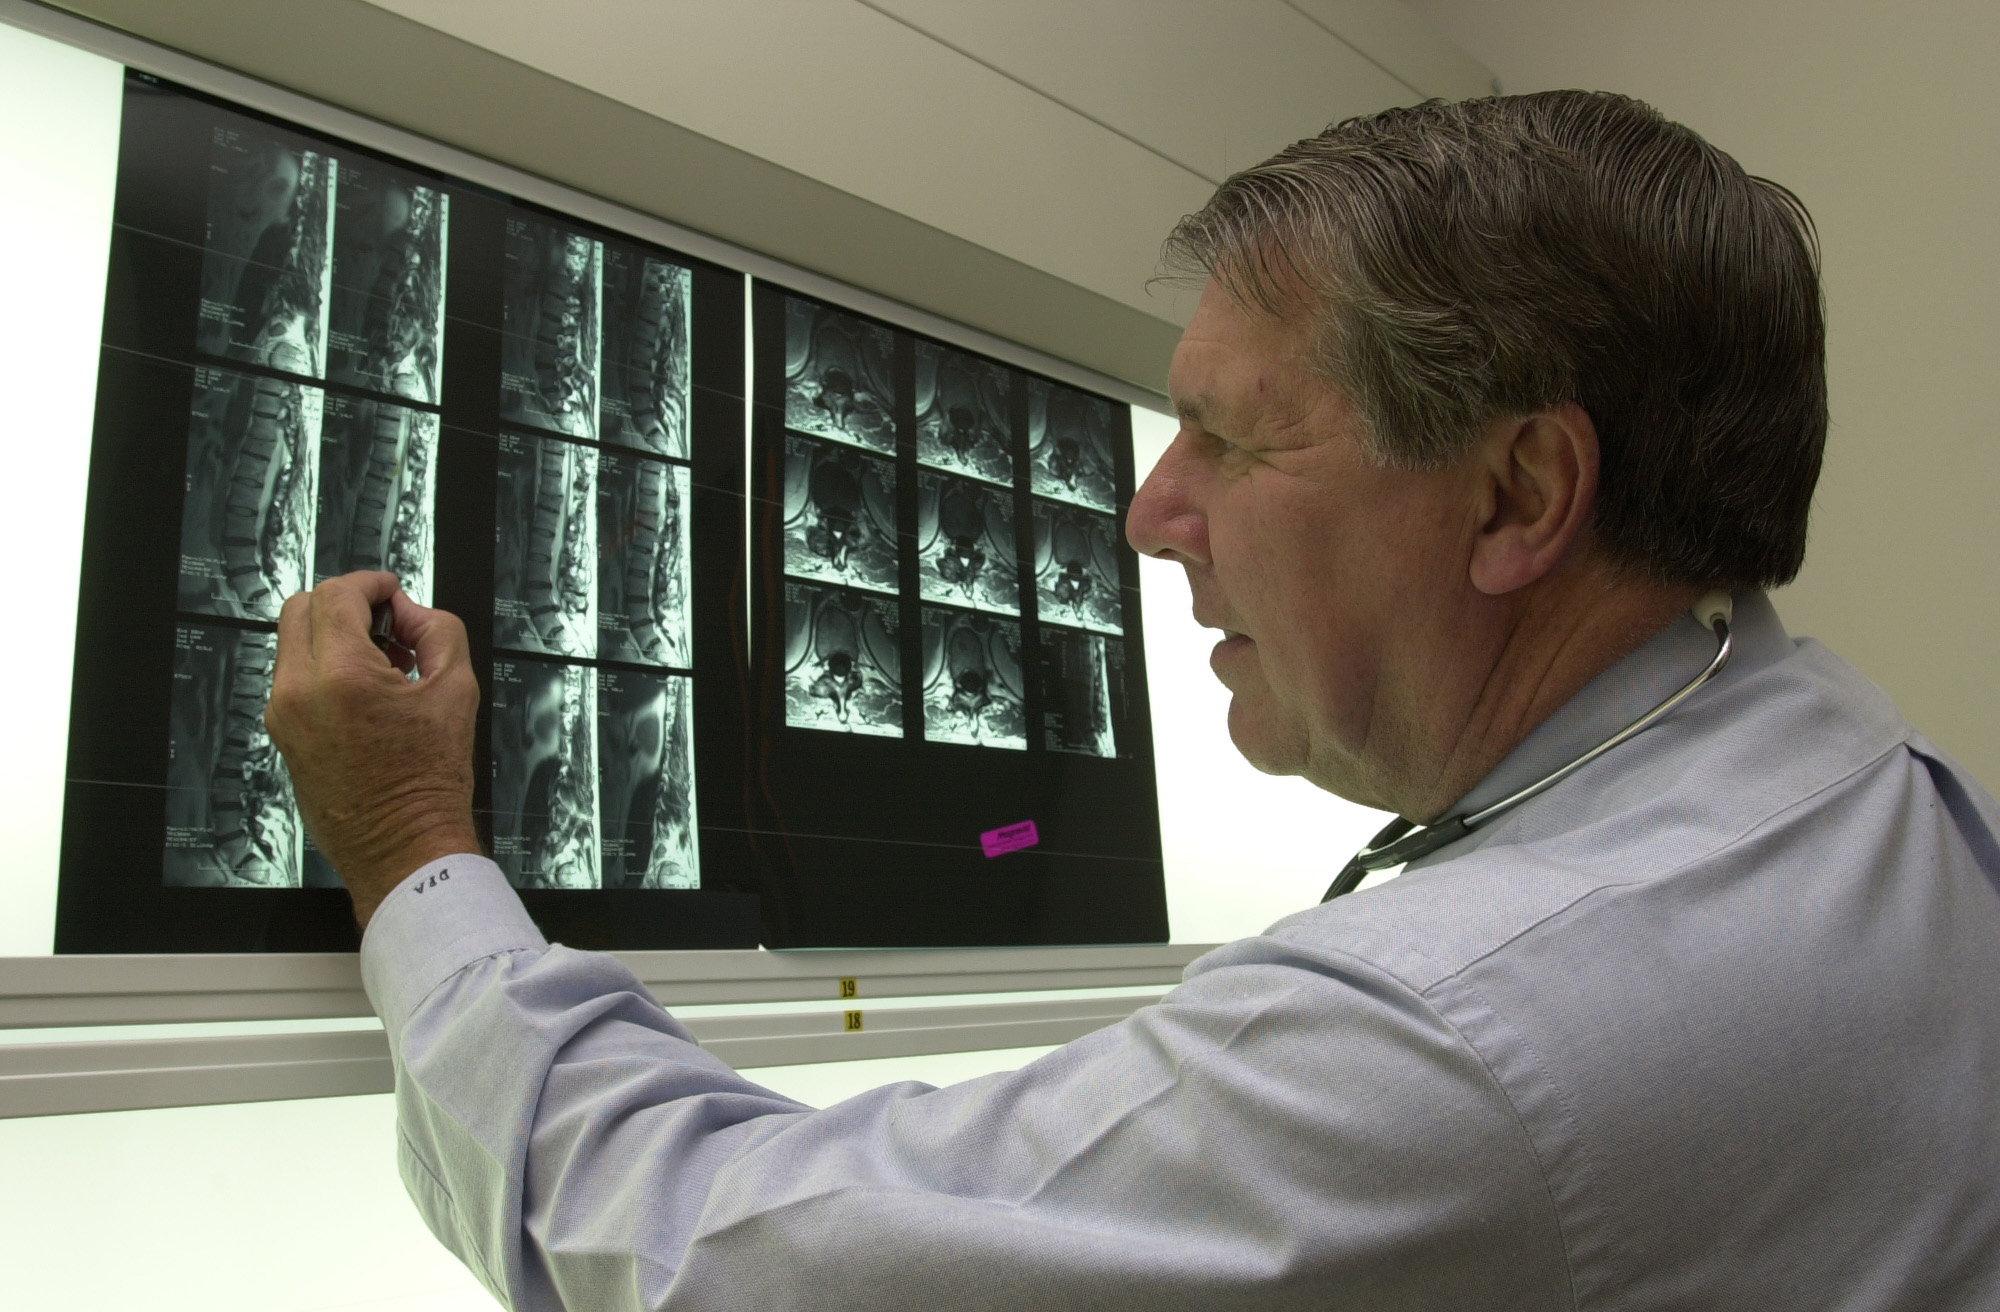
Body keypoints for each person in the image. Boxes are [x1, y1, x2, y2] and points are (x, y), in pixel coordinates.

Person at [267, 91, 2000, 1310]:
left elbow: (709, 1258)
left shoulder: (1453, 1039)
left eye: (1231, 439)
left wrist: (411, 845)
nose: (1150, 512)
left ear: (1519, 494)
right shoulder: (1869, 774)